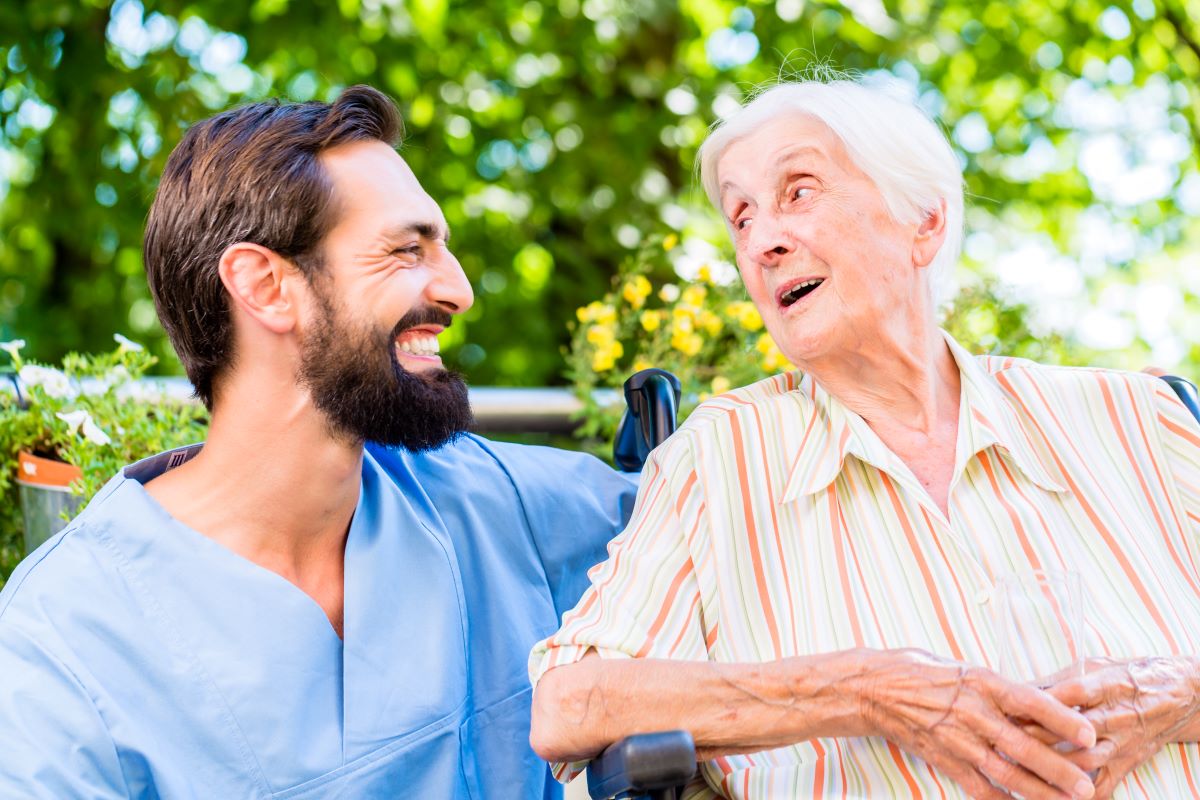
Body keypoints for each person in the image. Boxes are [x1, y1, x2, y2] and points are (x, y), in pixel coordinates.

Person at [529, 77, 1200, 800]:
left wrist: (1175, 695)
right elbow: (569, 707)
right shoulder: (717, 461)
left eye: (799, 191)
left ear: (925, 223)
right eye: (742, 215)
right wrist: (863, 689)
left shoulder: (1138, 418)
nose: (763, 241)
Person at [0, 86, 637, 798]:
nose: (458, 289)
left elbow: (722, 517)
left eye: (443, 249)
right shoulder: (64, 639)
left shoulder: (485, 499)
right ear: (266, 286)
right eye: (406, 249)